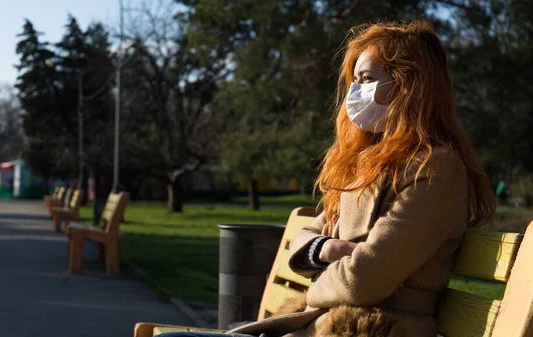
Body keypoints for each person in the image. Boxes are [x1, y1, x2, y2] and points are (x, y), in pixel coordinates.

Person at [157, 20, 495, 337]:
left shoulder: (435, 167)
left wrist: (318, 279)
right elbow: (306, 239)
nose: (355, 91)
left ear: (407, 85)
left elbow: (364, 280)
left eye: (365, 79)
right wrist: (330, 248)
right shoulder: (366, 164)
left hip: (377, 327)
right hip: (329, 322)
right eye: (354, 81)